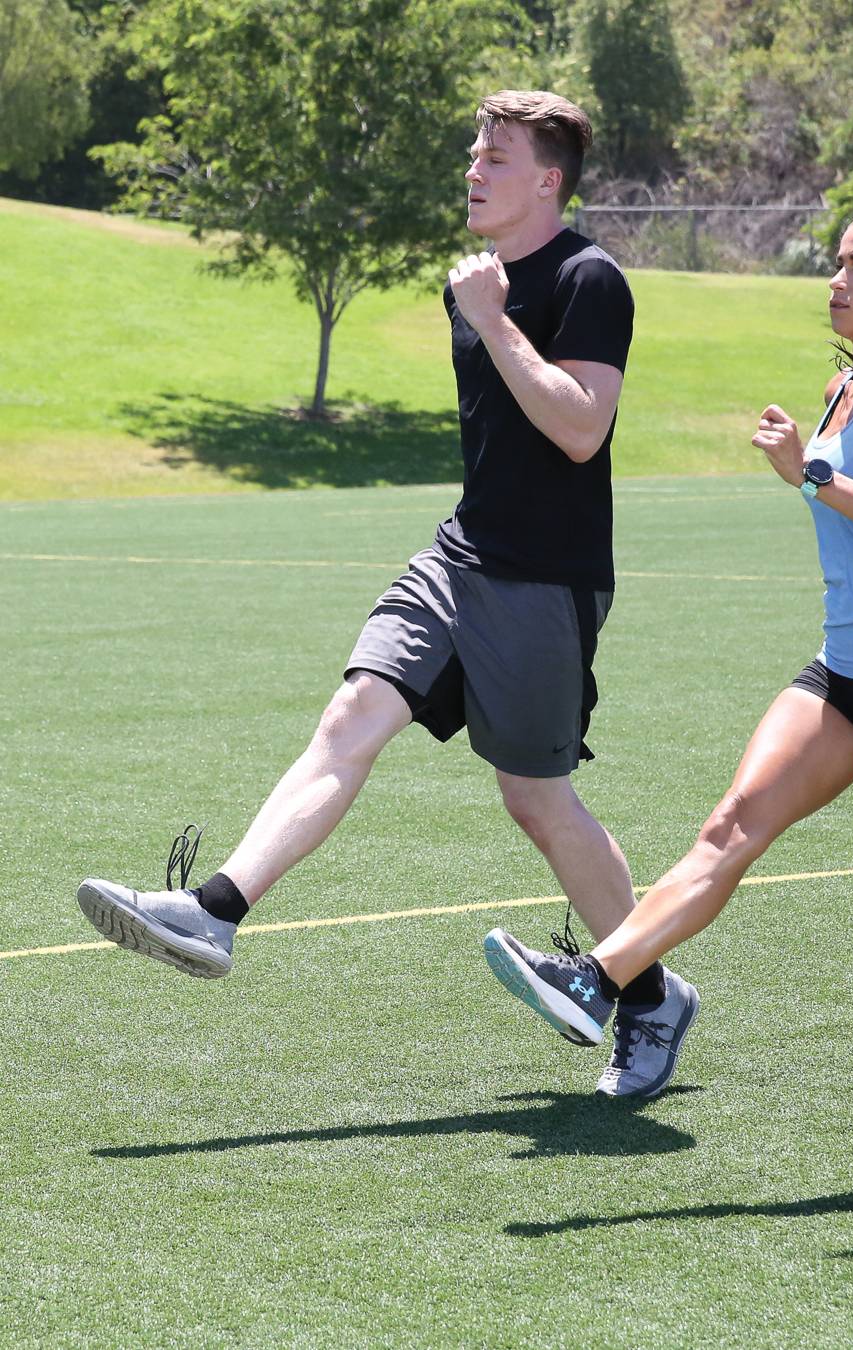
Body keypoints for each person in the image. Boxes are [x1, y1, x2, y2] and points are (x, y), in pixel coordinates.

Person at [72, 91, 674, 1093]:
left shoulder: (588, 277)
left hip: (543, 581)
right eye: (475, 150)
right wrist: (480, 306)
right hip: (460, 554)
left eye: (498, 155)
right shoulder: (472, 285)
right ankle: (215, 912)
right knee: (353, 713)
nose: (475, 166)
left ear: (549, 180)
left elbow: (580, 428)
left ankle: (650, 994)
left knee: (537, 797)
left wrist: (494, 319)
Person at [479, 210, 853, 1184]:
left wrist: (806, 473)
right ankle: (600, 980)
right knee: (730, 828)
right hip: (844, 674)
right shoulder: (842, 383)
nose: (837, 280)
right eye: (837, 263)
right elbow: (846, 500)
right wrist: (802, 469)